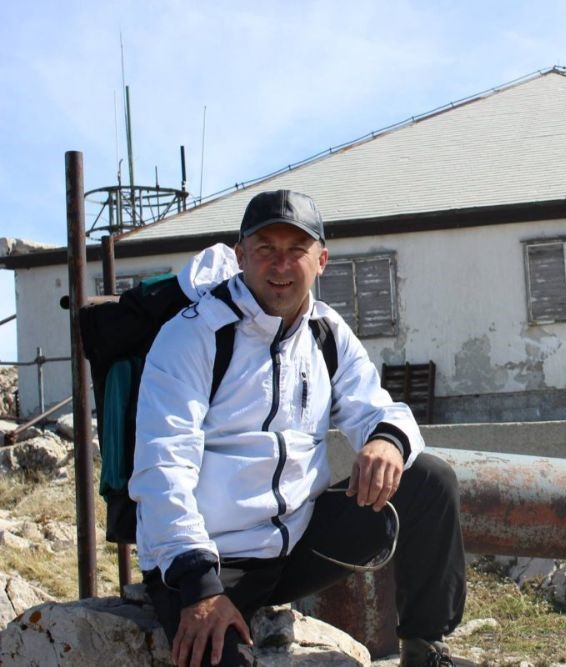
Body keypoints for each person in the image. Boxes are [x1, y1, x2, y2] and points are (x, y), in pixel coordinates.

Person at [130, 190, 468, 667]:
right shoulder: (193, 335)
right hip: (212, 561)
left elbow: (379, 409)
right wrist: (198, 585)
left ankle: (424, 650)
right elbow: (162, 466)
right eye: (265, 249)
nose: (281, 265)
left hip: (296, 545)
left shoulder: (326, 332)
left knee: (429, 481)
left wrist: (385, 441)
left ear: (322, 260)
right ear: (240, 255)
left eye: (297, 250)